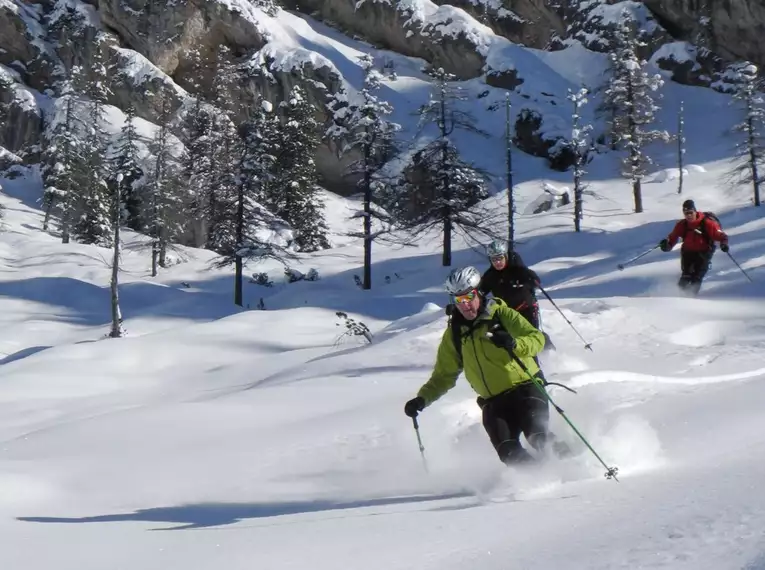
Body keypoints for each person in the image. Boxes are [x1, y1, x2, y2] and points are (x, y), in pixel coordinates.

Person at [404, 266, 554, 465]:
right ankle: (541, 483)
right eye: (459, 300)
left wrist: (514, 343)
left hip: (526, 388)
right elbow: (443, 375)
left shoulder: (501, 315)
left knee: (538, 436)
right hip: (494, 402)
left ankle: (577, 466)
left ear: (479, 293)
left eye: (469, 297)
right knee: (508, 452)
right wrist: (422, 399)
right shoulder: (455, 334)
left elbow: (536, 339)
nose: (465, 305)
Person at [478, 239, 555, 353]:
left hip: (526, 308)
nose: (497, 262)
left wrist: (527, 280)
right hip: (508, 313)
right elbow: (480, 291)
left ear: (506, 256)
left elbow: (535, 281)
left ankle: (549, 352)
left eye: (500, 258)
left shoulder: (517, 268)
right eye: (494, 259)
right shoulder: (490, 276)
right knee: (510, 340)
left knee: (531, 336)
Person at [659, 199, 728, 295]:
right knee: (686, 276)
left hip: (704, 253)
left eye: (691, 213)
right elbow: (672, 237)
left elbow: (720, 235)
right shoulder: (682, 225)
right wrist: (667, 245)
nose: (689, 216)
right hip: (688, 252)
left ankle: (690, 299)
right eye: (686, 213)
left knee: (697, 277)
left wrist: (724, 243)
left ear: (695, 211)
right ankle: (677, 297)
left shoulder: (707, 223)